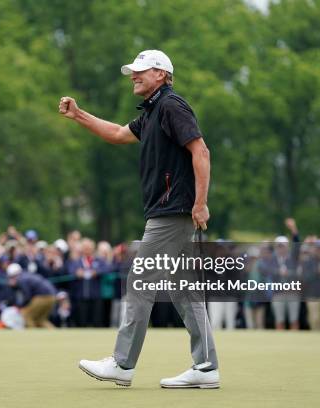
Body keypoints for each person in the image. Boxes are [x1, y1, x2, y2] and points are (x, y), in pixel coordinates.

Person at [60, 49, 217, 388]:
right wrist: (79, 116)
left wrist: (200, 203)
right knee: (183, 291)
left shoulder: (171, 106)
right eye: (134, 70)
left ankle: (122, 363)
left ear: (161, 74)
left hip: (172, 211)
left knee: (140, 280)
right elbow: (117, 134)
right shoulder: (152, 113)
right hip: (170, 211)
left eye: (142, 70)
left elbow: (201, 151)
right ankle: (206, 367)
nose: (134, 75)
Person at [6, 263, 57, 328]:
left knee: (25, 315)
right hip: (52, 297)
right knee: (40, 320)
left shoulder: (21, 279)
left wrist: (21, 306)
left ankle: (33, 337)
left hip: (42, 297)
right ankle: (54, 334)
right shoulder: (26, 275)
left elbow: (27, 296)